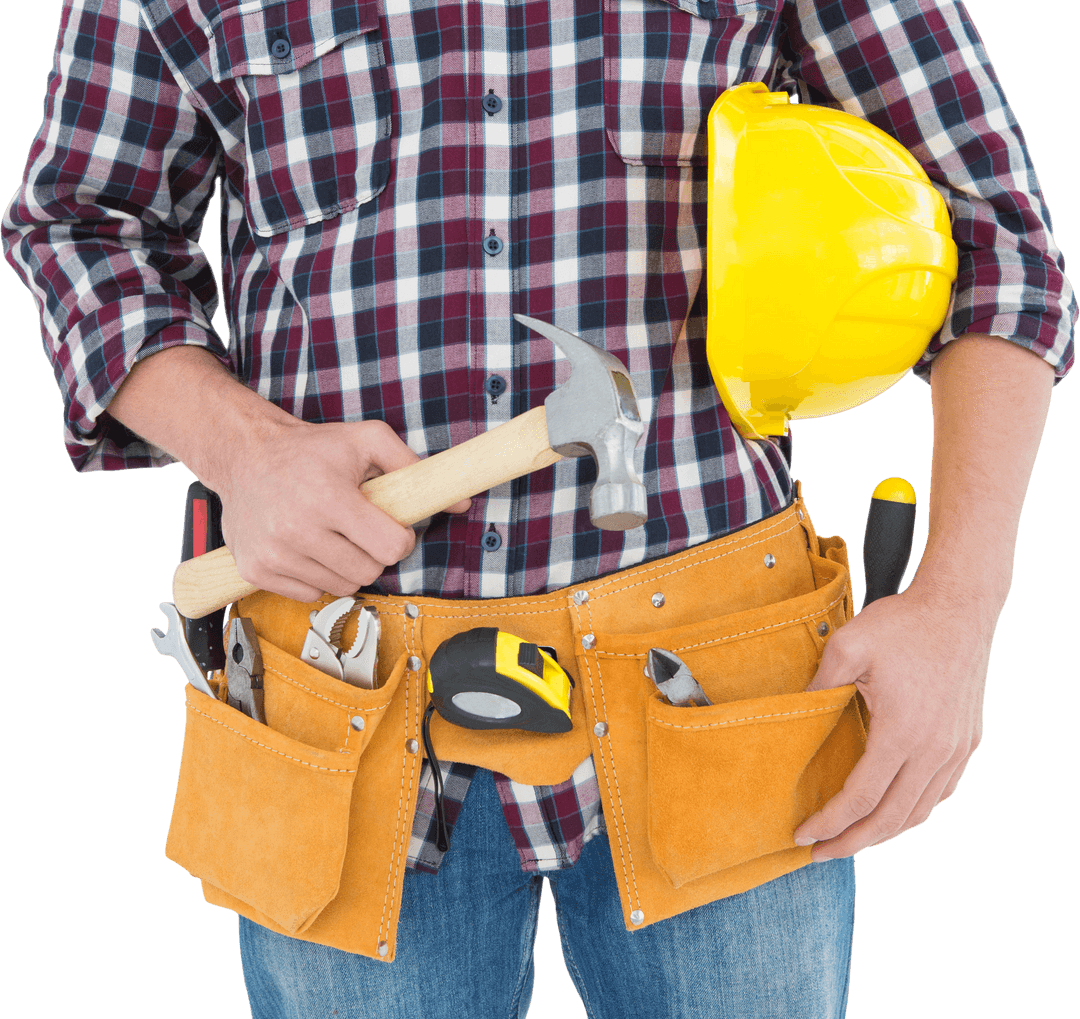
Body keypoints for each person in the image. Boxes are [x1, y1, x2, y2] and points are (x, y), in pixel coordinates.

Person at [2, 0, 1073, 1017]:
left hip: (717, 688)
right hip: (347, 695)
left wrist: (960, 604)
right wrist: (245, 450)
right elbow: (81, 223)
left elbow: (995, 233)